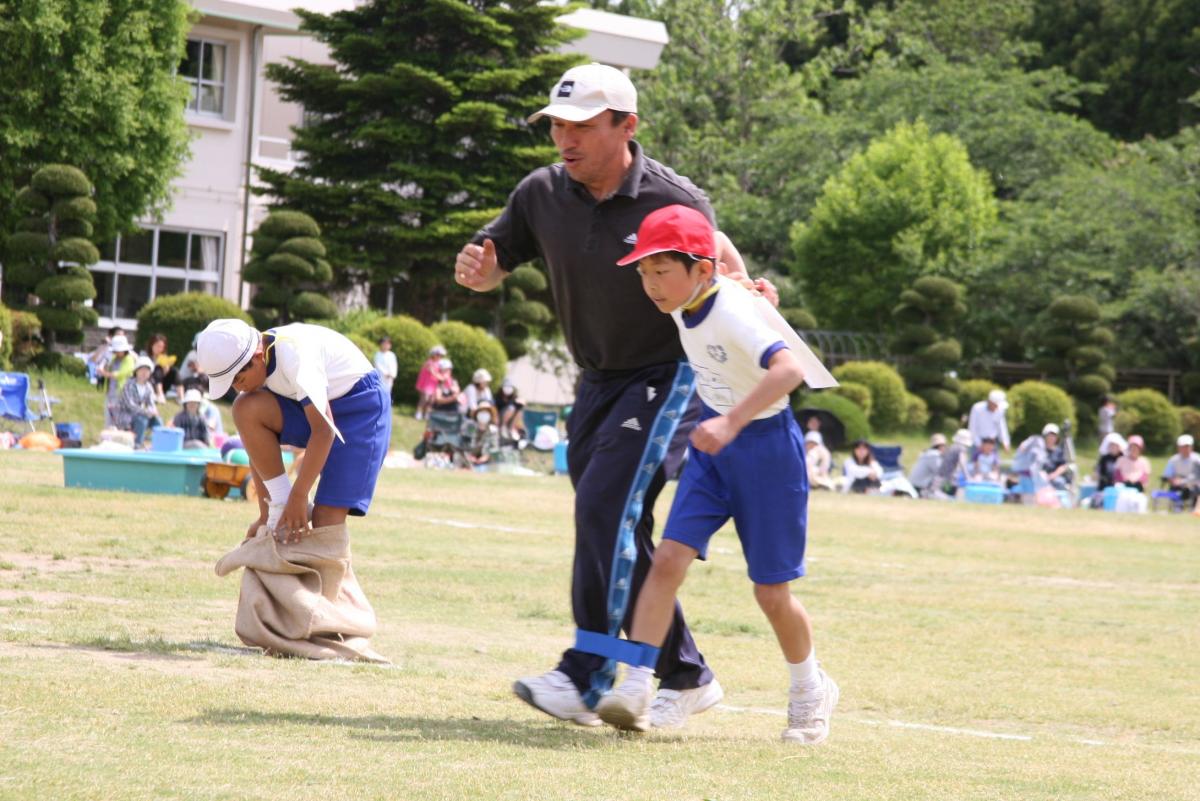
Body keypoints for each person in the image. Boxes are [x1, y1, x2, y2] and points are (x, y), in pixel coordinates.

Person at [454, 63, 773, 729]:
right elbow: (495, 258)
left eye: (580, 126)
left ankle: (588, 671)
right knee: (616, 521)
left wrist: (749, 288)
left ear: (626, 126)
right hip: (596, 380)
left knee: (604, 506)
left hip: (668, 375)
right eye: (556, 127)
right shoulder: (540, 192)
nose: (563, 140)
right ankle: (685, 672)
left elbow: (717, 263)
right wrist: (480, 269)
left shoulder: (672, 197)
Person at [596, 205, 836, 743]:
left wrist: (730, 420)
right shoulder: (695, 290)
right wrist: (739, 269)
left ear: (698, 272)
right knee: (666, 563)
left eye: (662, 272)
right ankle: (636, 686)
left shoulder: (729, 312)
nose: (651, 285)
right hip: (712, 445)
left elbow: (790, 370)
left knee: (771, 593)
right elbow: (719, 236)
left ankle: (810, 688)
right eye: (643, 272)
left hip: (766, 450)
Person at [195, 318, 391, 542]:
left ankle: (334, 572)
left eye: (238, 379)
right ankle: (277, 507)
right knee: (244, 407)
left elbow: (324, 431)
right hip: (315, 408)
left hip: (361, 409)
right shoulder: (258, 365)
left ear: (258, 356)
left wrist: (298, 496)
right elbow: (256, 449)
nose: (238, 387)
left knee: (325, 523)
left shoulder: (296, 357)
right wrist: (269, 512)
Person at [116, 356, 162, 448]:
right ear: (136, 371)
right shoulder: (128, 385)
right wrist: (146, 412)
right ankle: (137, 445)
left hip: (140, 414)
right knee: (142, 420)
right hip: (126, 416)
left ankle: (158, 445)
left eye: (147, 370)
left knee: (158, 421)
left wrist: (153, 411)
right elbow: (130, 405)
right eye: (141, 370)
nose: (144, 373)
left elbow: (151, 403)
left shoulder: (148, 387)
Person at [97, 334, 136, 428]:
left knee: (120, 419)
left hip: (122, 393)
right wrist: (103, 367)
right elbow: (108, 368)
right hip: (110, 392)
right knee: (108, 419)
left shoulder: (129, 359)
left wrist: (105, 373)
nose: (117, 352)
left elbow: (120, 374)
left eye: (119, 350)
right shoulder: (113, 358)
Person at [967, 389, 1011, 454]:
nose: (996, 407)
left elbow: (1002, 427)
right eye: (995, 405)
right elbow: (972, 428)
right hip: (977, 443)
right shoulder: (977, 408)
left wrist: (1005, 443)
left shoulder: (1000, 410)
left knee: (993, 463)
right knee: (974, 463)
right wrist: (979, 445)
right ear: (990, 402)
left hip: (993, 443)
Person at [1162, 434, 1200, 507]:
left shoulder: (1197, 459)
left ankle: (1195, 508)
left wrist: (1185, 482)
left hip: (1194, 485)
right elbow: (1168, 475)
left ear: (1191, 447)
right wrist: (1173, 481)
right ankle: (1177, 507)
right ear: (1178, 447)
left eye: (1187, 446)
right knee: (1175, 490)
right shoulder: (1173, 460)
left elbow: (1197, 476)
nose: (1185, 449)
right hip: (1177, 486)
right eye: (1182, 447)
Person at [144, 333, 179, 403]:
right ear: (151, 345)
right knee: (158, 368)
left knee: (174, 370)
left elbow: (164, 376)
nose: (159, 349)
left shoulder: (164, 357)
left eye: (161, 347)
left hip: (162, 384)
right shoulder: (145, 357)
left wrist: (166, 370)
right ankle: (160, 394)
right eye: (157, 346)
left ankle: (181, 396)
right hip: (149, 383)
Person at [910, 432, 948, 497]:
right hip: (919, 488)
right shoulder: (934, 456)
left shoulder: (926, 453)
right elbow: (940, 472)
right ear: (941, 446)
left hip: (913, 484)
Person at [414, 345, 446, 421]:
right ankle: (419, 412)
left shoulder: (439, 364)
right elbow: (433, 372)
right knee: (424, 398)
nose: (439, 357)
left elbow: (440, 373)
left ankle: (427, 414)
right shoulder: (429, 362)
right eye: (438, 355)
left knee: (431, 400)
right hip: (426, 383)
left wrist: (441, 377)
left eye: (440, 355)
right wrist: (441, 378)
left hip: (433, 384)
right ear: (433, 354)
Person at [373, 336, 398, 401]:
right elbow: (378, 365)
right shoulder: (378, 354)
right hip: (381, 376)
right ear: (380, 344)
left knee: (388, 392)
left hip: (390, 377)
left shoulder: (392, 355)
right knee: (380, 391)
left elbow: (394, 365)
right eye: (384, 343)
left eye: (388, 344)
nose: (386, 345)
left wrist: (392, 374)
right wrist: (385, 373)